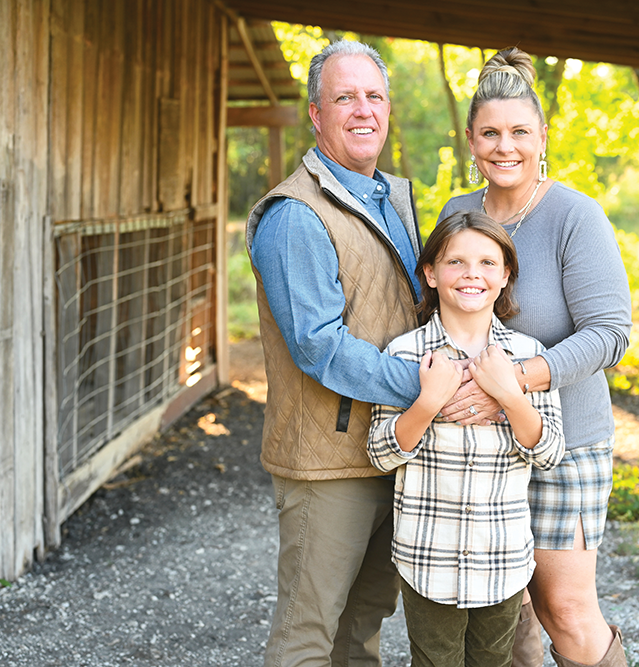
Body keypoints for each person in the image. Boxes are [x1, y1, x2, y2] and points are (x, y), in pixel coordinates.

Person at [437, 48, 633, 667]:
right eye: (490, 133)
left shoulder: (576, 216)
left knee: (564, 611)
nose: (505, 147)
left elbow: (609, 333)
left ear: (542, 136)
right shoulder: (455, 214)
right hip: (476, 447)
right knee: (503, 610)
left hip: (565, 439)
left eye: (519, 132)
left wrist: (511, 383)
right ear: (470, 139)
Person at [245, 40, 425, 667]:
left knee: (362, 629)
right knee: (307, 635)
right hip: (326, 462)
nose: (363, 109)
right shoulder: (296, 215)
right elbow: (318, 345)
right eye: (344, 96)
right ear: (317, 115)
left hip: (388, 450)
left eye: (374, 95)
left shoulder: (390, 200)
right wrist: (425, 389)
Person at [367, 211, 565, 667]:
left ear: (505, 275)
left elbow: (550, 451)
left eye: (487, 263)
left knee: (493, 661)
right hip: (427, 557)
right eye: (456, 262)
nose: (472, 274)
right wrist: (426, 403)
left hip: (503, 558)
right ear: (431, 274)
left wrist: (511, 397)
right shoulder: (403, 354)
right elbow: (379, 453)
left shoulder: (529, 356)